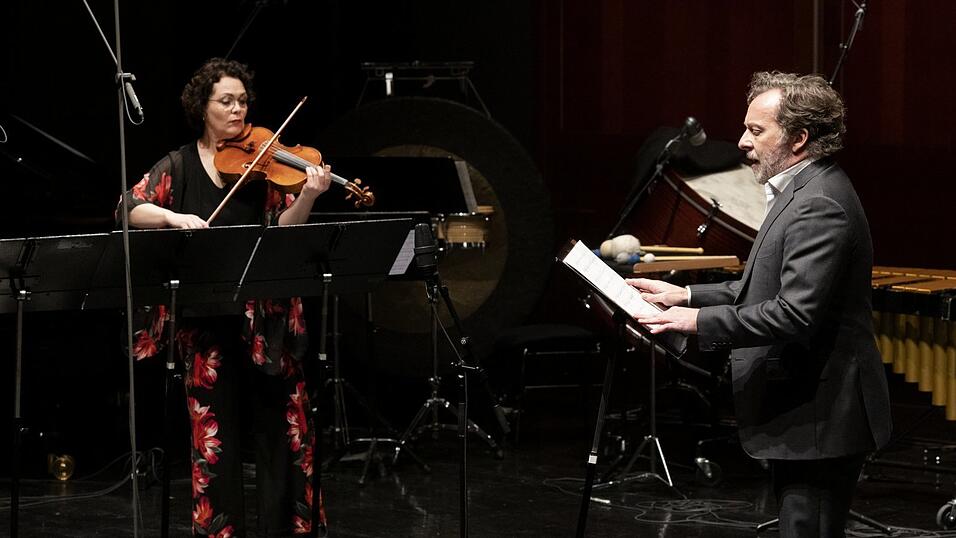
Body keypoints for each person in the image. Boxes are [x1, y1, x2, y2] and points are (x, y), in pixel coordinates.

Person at [628, 71, 892, 538]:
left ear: (799, 138)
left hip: (821, 414)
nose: (742, 143)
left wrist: (694, 321)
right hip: (809, 412)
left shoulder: (819, 203)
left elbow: (794, 312)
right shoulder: (800, 190)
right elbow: (765, 286)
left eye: (756, 131)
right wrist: (684, 294)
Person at [118, 58, 331, 537]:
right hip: (205, 327)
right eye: (226, 102)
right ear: (203, 108)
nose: (239, 111)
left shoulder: (265, 164)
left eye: (243, 101)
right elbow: (128, 207)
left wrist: (309, 197)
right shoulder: (178, 164)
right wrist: (174, 218)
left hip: (266, 324)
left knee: (285, 437)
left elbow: (283, 234)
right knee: (214, 447)